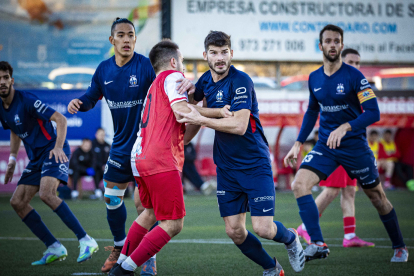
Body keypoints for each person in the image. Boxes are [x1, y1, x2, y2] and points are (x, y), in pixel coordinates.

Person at [67, 18, 194, 274]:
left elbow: (168, 81)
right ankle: (119, 246)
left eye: (131, 35)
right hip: (121, 146)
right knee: (112, 199)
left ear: (136, 39)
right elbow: (92, 95)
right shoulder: (104, 70)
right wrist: (79, 103)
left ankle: (147, 256)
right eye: (121, 35)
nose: (127, 39)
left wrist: (187, 83)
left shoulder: (146, 66)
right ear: (112, 40)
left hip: (147, 145)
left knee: (144, 208)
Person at [174, 31, 305, 275]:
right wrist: (179, 141)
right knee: (234, 230)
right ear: (206, 56)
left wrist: (201, 116)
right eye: (214, 53)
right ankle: (271, 268)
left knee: (263, 228)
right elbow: (190, 113)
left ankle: (291, 238)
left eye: (224, 52)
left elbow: (239, 125)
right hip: (226, 169)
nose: (220, 57)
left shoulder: (241, 81)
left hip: (254, 165)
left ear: (231, 53)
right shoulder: (204, 81)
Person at [284, 24, 408, 262]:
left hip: (355, 148)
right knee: (299, 184)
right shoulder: (314, 78)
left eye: (336, 41)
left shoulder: (354, 76)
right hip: (326, 147)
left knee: (377, 197)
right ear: (321, 46)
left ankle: (399, 246)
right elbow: (311, 111)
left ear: (341, 45)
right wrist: (298, 143)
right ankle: (318, 243)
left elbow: (374, 112)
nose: (332, 45)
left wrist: (346, 126)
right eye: (328, 41)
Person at [109, 39, 204, 276]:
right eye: (181, 63)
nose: (182, 69)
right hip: (159, 160)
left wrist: (196, 105)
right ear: (173, 62)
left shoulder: (153, 87)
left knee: (149, 213)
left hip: (140, 158)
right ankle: (126, 269)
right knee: (173, 223)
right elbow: (183, 113)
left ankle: (121, 260)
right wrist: (217, 114)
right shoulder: (172, 77)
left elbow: (184, 132)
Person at [0, 61, 98, 265]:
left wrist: (58, 147)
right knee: (17, 202)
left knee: (46, 194)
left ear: (12, 80)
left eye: (5, 77)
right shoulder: (2, 108)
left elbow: (61, 119)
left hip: (53, 150)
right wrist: (11, 159)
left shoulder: (26, 100)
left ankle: (86, 240)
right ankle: (54, 247)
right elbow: (14, 130)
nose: (2, 82)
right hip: (36, 158)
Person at [297, 48, 375, 248]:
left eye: (358, 63)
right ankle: (305, 226)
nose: (355, 66)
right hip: (335, 147)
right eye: (351, 62)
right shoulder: (328, 81)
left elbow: (370, 113)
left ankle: (349, 236)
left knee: (349, 190)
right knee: (332, 190)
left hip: (354, 147)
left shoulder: (356, 84)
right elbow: (314, 111)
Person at [91, 128, 110, 199]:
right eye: (100, 134)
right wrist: (101, 166)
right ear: (96, 135)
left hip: (106, 167)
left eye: (103, 134)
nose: (102, 136)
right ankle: (97, 190)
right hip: (96, 167)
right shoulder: (92, 144)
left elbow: (110, 157)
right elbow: (93, 159)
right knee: (97, 171)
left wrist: (106, 165)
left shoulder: (107, 145)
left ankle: (109, 190)